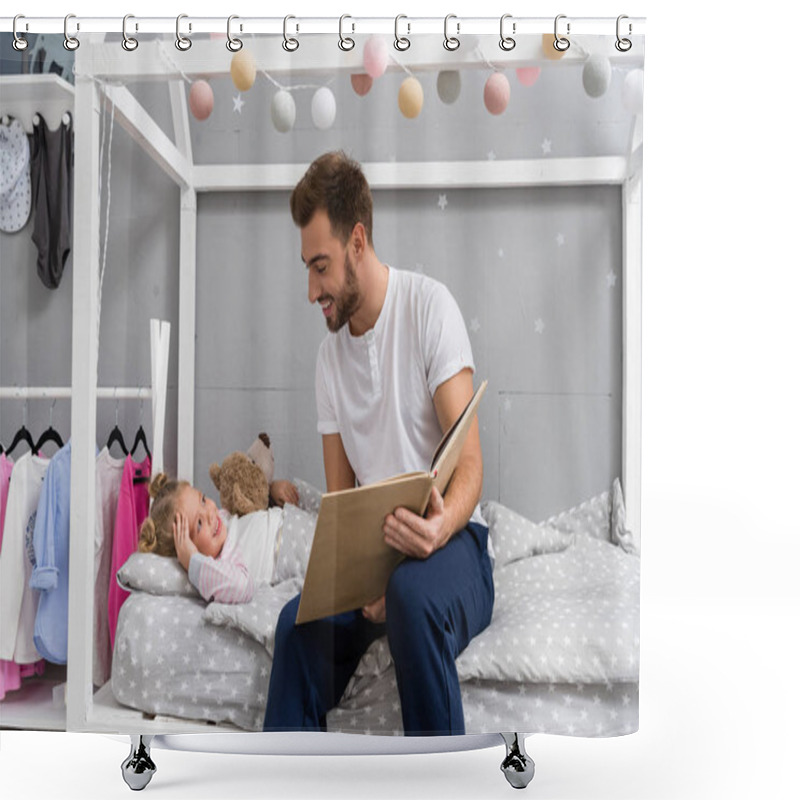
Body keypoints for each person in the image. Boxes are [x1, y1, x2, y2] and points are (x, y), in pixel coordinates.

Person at [263, 151, 494, 736]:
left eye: (321, 266)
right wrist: (357, 581)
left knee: (413, 598)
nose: (311, 288)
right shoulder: (328, 361)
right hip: (377, 562)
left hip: (452, 544)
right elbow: (340, 505)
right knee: (295, 625)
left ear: (357, 241)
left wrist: (438, 530)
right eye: (306, 268)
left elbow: (468, 465)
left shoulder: (428, 308)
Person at [139, 472, 298, 604]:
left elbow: (251, 498)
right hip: (293, 553)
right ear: (188, 549)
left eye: (203, 500)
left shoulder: (222, 519)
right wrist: (193, 562)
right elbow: (242, 587)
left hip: (293, 518)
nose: (209, 513)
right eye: (199, 524)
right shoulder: (221, 565)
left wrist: (271, 492)